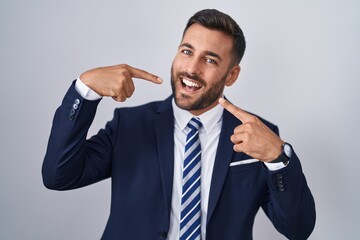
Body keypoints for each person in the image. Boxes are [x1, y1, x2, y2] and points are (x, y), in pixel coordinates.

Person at [42, 9, 316, 240]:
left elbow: (297, 229)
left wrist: (278, 158)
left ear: (231, 75)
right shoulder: (130, 125)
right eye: (187, 51)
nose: (192, 69)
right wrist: (85, 90)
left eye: (210, 59)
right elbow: (58, 176)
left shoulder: (257, 135)